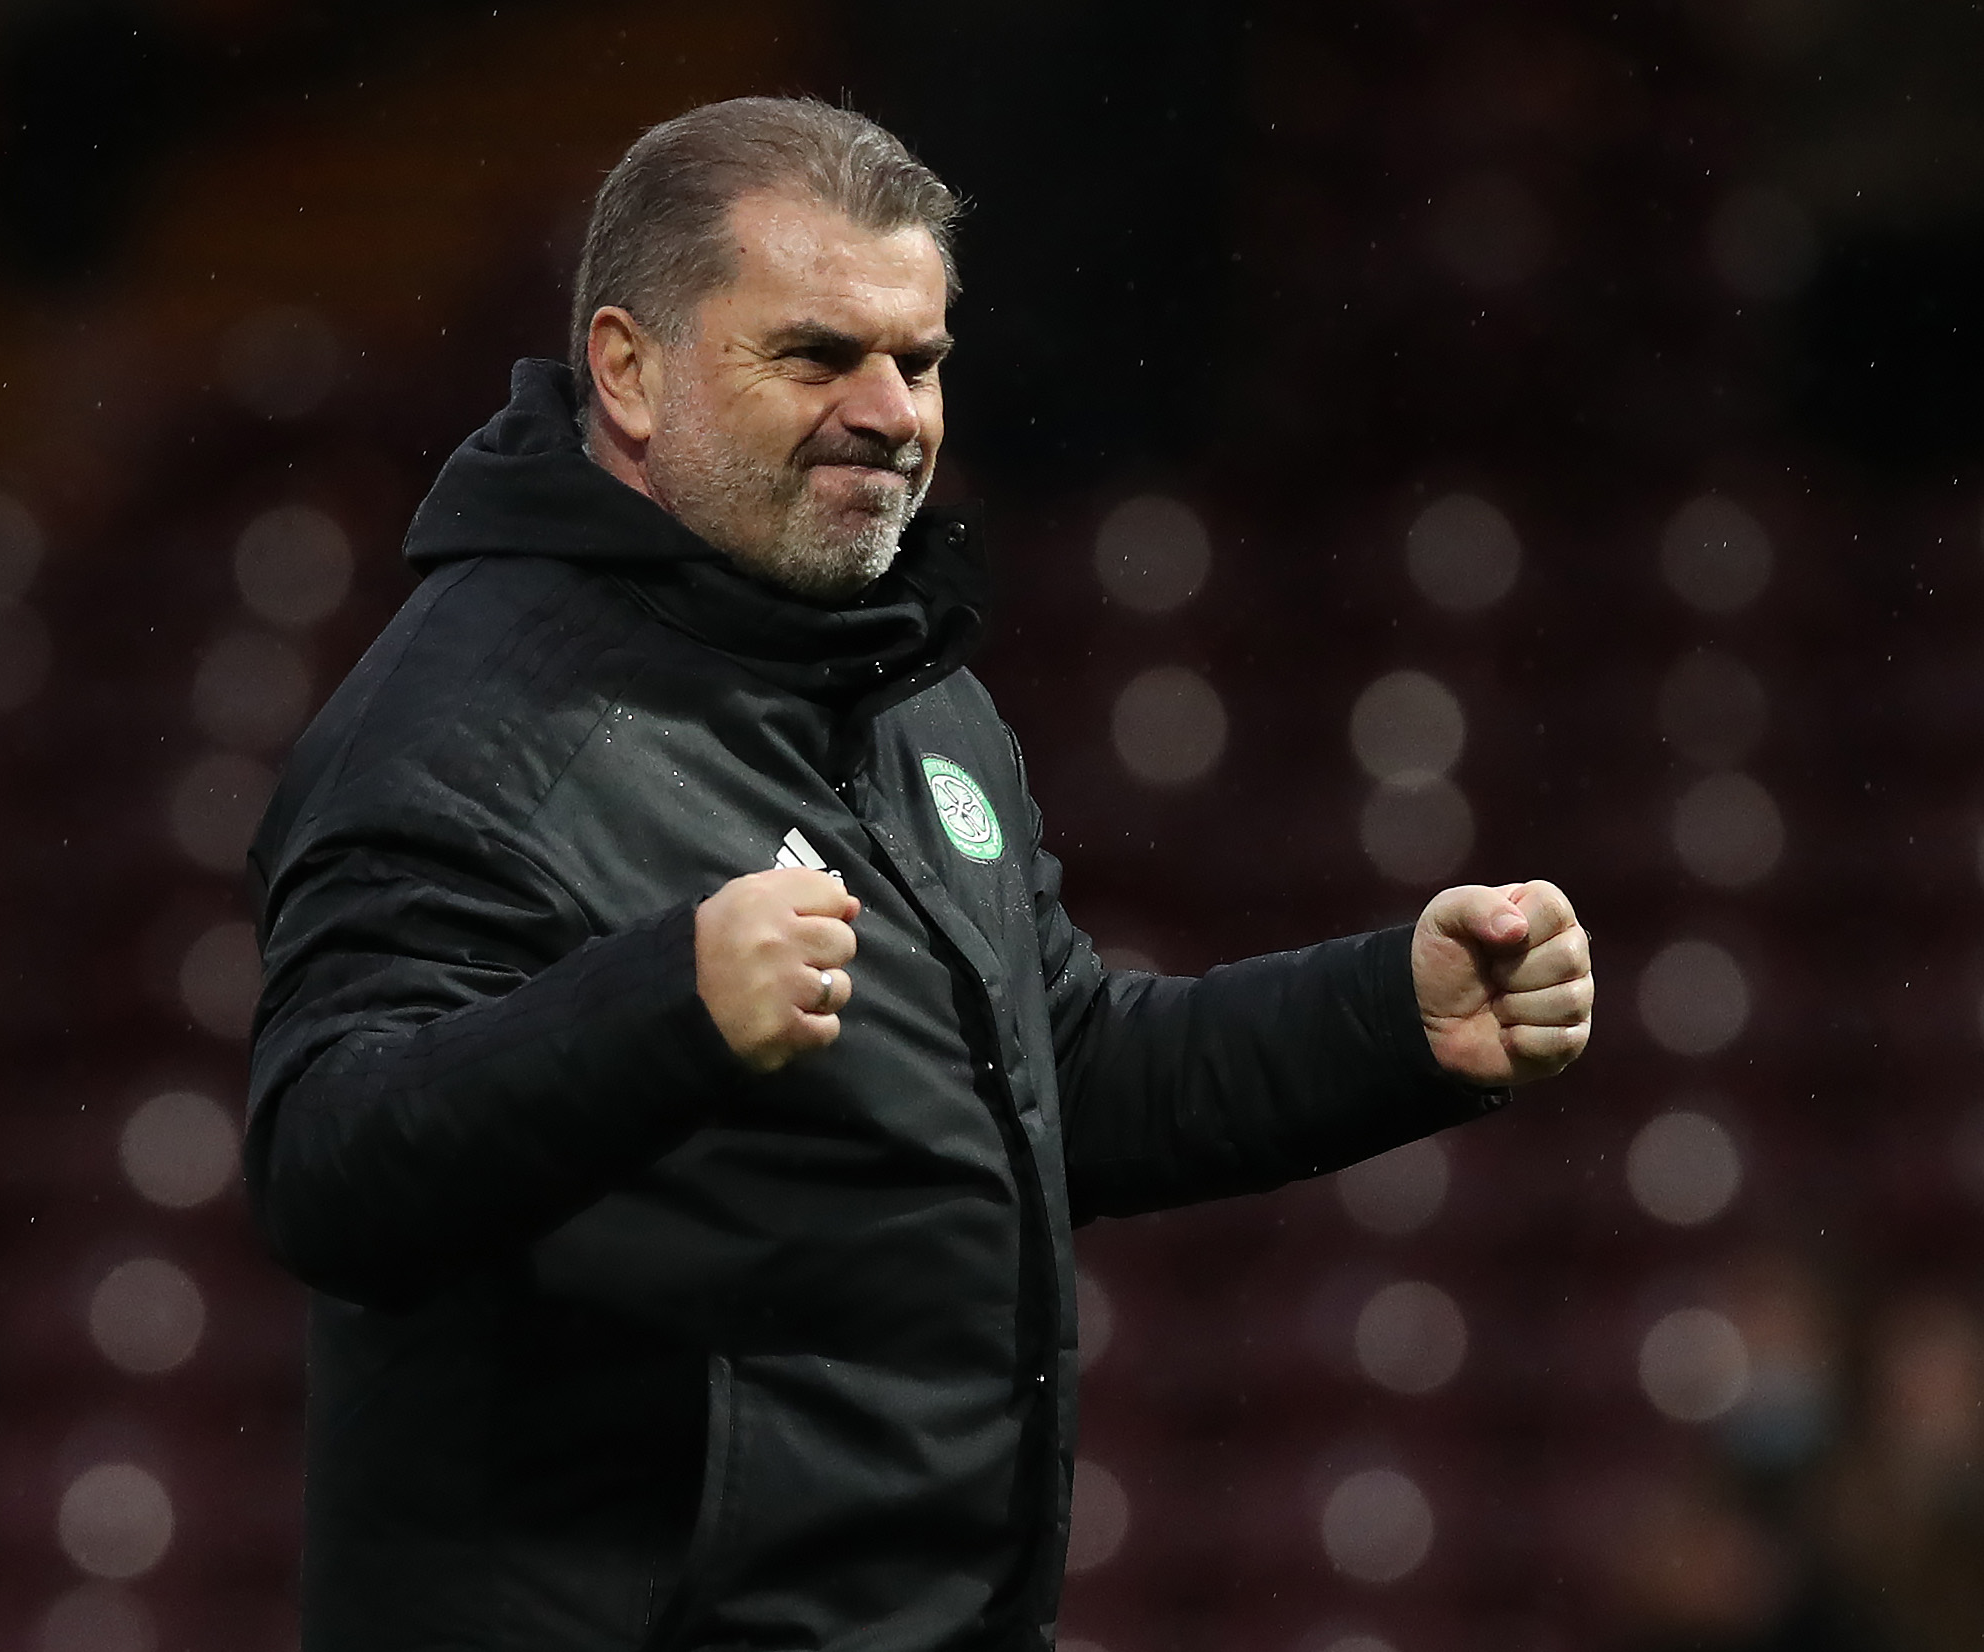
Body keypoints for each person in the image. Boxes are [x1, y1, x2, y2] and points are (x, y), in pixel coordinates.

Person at [244, 96, 1594, 1652]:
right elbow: (328, 1167)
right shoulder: (468, 734)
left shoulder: (889, 677)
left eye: (922, 360)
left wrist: (1390, 1023)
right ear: (628, 369)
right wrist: (665, 1006)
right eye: (818, 355)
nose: (892, 413)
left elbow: (1049, 1073)